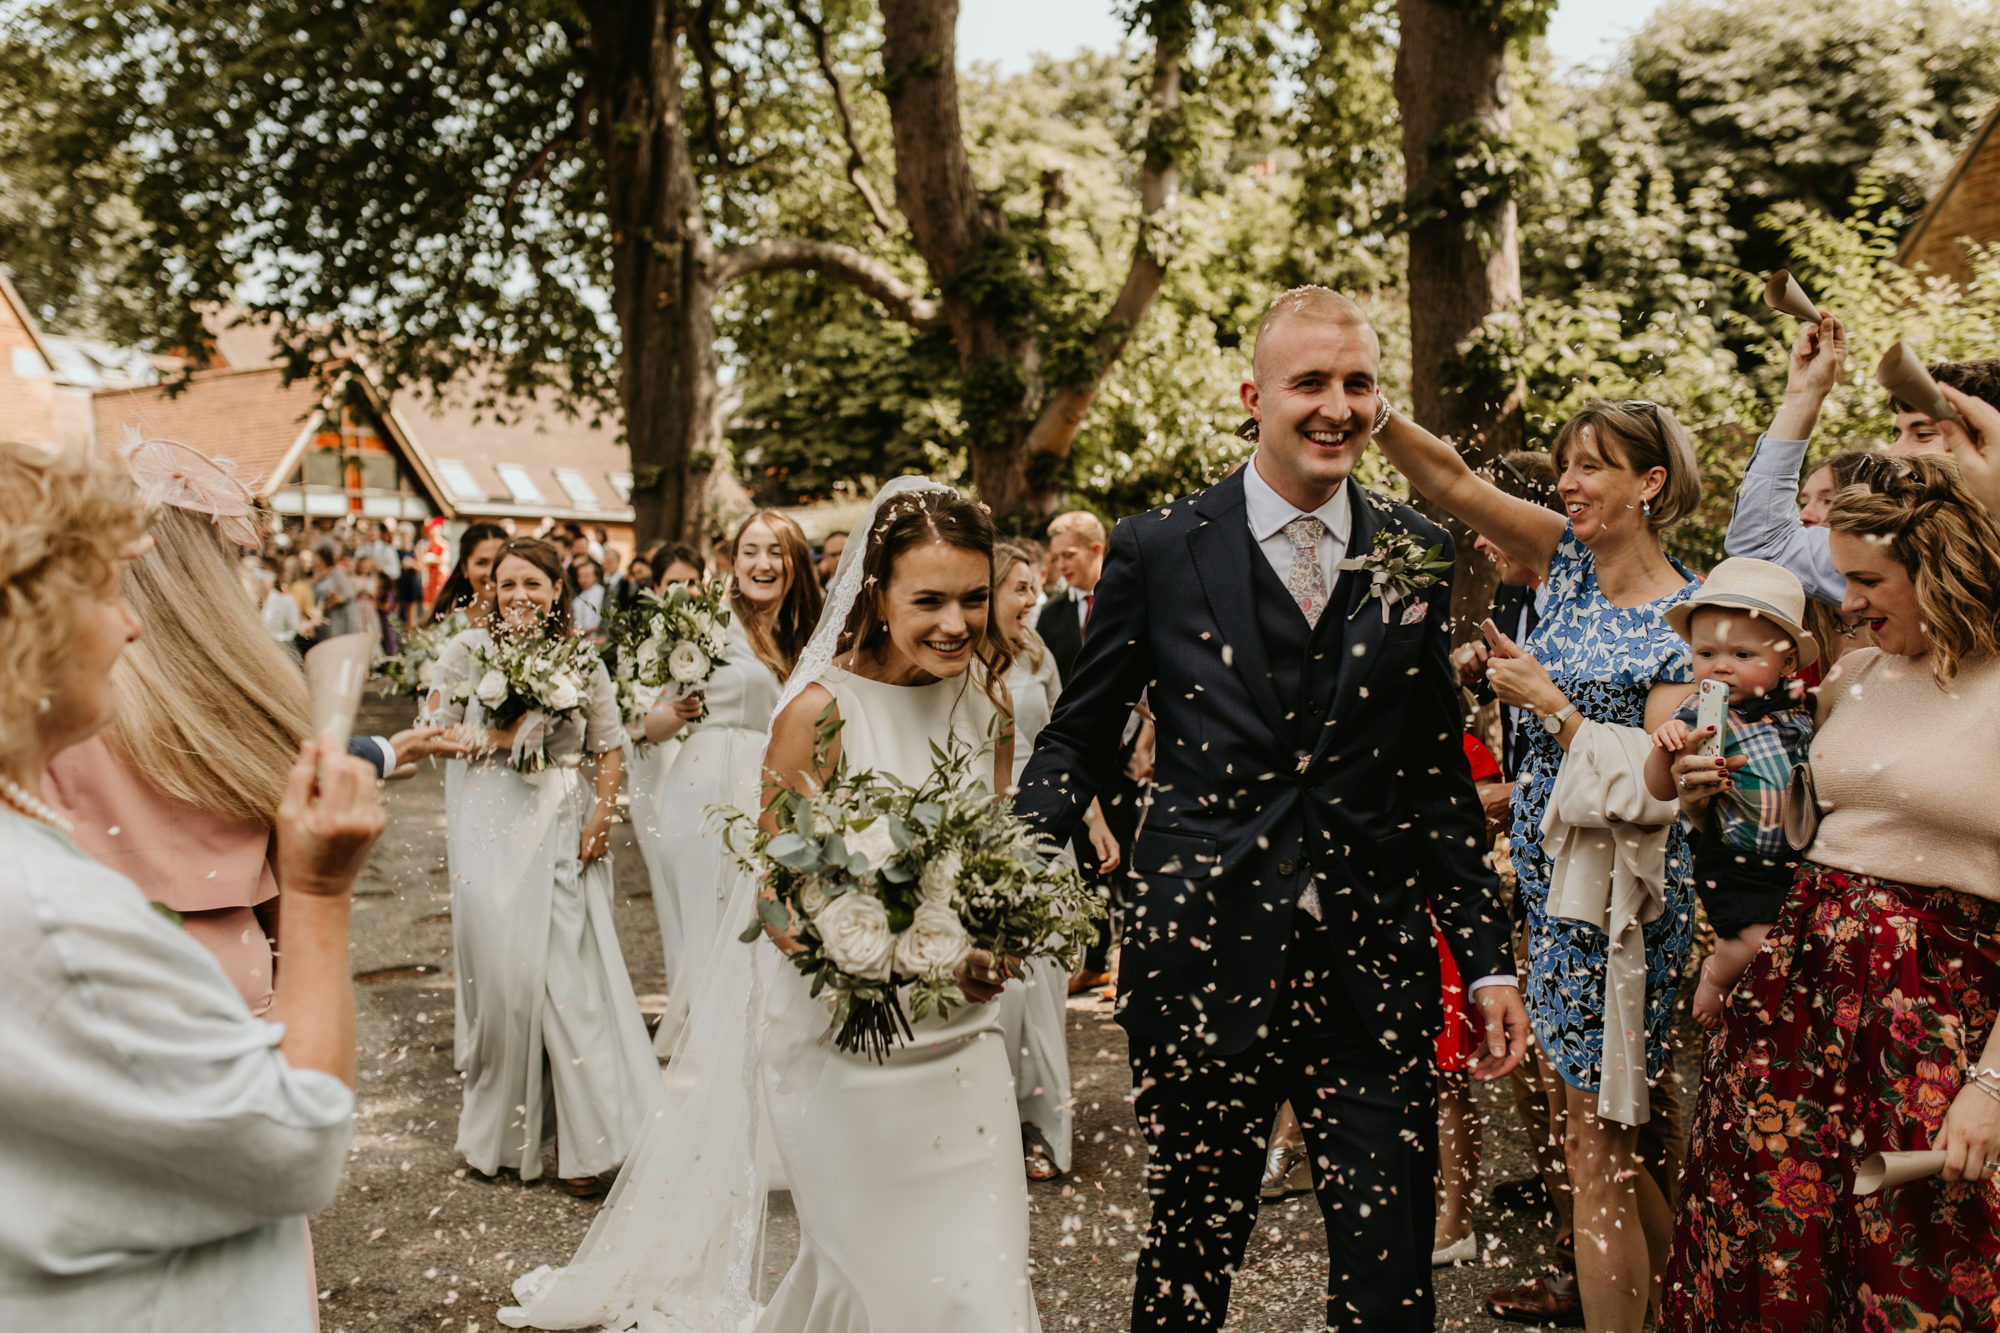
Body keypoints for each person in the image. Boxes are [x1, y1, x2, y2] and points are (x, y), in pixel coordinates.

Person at [1015, 286, 1526, 1332]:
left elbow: (1432, 771)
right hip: (1199, 950)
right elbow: (1076, 733)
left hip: (1370, 961)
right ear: (1254, 397)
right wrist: (1014, 866)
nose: (1336, 405)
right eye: (1309, 383)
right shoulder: (1158, 548)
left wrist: (1483, 957)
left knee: (1389, 1276)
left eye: (1357, 383)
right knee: (1190, 1247)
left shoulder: (1411, 547)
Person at [499, 478, 1039, 1333]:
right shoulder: (819, 713)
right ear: (877, 593)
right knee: (888, 1283)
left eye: (974, 598)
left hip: (962, 1043)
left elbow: (992, 864)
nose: (956, 622)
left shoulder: (991, 706)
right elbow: (779, 894)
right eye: (928, 599)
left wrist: (989, 950)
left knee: (981, 1282)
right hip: (841, 1042)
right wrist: (876, 964)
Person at [0, 439, 384, 1332]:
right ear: (32, 625)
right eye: (103, 591)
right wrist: (322, 897)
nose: (129, 624)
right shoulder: (58, 914)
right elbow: (295, 1145)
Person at [1373, 384, 1702, 1331]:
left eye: (1590, 465)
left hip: (1621, 907)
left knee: (1596, 1153)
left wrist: (1549, 705)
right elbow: (1454, 479)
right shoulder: (1562, 559)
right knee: (1600, 1146)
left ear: (1649, 481)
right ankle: (1694, 1301)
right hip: (1550, 895)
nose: (1568, 482)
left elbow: (1654, 789)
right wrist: (1374, 409)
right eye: (1565, 464)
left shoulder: (1685, 616)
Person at [1662, 454, 2000, 1330]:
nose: (1845, 602)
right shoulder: (1853, 677)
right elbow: (1802, 830)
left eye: (1866, 578)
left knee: (1919, 1270)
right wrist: (1710, 795)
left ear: (1943, 564)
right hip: (1793, 1004)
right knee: (1761, 1251)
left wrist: (1993, 1085)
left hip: (1935, 1021)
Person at [424, 537, 656, 1196]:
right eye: (507, 584)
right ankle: (497, 1138)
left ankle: (591, 1146)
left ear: (557, 589)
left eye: (534, 583)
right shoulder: (464, 653)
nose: (519, 595)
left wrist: (602, 816)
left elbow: (609, 747)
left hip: (558, 818)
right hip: (488, 824)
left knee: (568, 984)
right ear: (489, 590)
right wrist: (501, 736)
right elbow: (435, 731)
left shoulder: (584, 661)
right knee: (500, 987)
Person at [636, 510, 820, 1052]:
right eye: (750, 551)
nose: (761, 563)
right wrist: (682, 708)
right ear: (732, 561)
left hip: (782, 791)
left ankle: (762, 1053)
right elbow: (651, 724)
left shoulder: (809, 632)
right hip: (707, 787)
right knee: (716, 929)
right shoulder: (704, 623)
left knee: (773, 927)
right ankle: (715, 1060)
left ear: (793, 562)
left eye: (775, 552)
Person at [992, 540, 1119, 1181]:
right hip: (984, 826)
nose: (1031, 599)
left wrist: (1093, 821)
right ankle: (991, 1123)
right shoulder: (955, 658)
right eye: (1018, 588)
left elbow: (1065, 741)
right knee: (996, 993)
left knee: (1042, 986)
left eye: (1031, 587)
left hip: (1048, 833)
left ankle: (1044, 1126)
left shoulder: (1038, 651)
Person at [1643, 558, 1817, 1028]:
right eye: (1705, 654)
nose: (1720, 667)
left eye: (1742, 655)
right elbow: (1660, 789)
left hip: (1793, 858)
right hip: (1735, 854)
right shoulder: (1699, 710)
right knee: (1753, 937)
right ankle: (1716, 980)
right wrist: (1666, 750)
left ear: (1788, 661)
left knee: (1790, 939)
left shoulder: (1802, 706)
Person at [1723, 311, 1999, 604]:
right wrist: (1803, 396)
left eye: (1922, 435)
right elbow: (1762, 544)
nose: (1894, 453)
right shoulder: (1882, 545)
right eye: (1896, 435)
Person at [1036, 510, 1103, 684]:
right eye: (1056, 558)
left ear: (1095, 550)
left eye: (1068, 555)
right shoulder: (1049, 613)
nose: (1060, 566)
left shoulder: (1131, 601)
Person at [425, 521, 508, 628]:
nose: (491, 572)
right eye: (481, 563)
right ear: (465, 569)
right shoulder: (448, 629)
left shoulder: (525, 622)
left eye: (498, 561)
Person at [570, 556, 607, 640]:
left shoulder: (603, 594)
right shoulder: (577, 599)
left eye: (587, 576)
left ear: (596, 576)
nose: (583, 580)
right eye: (580, 576)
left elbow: (599, 624)